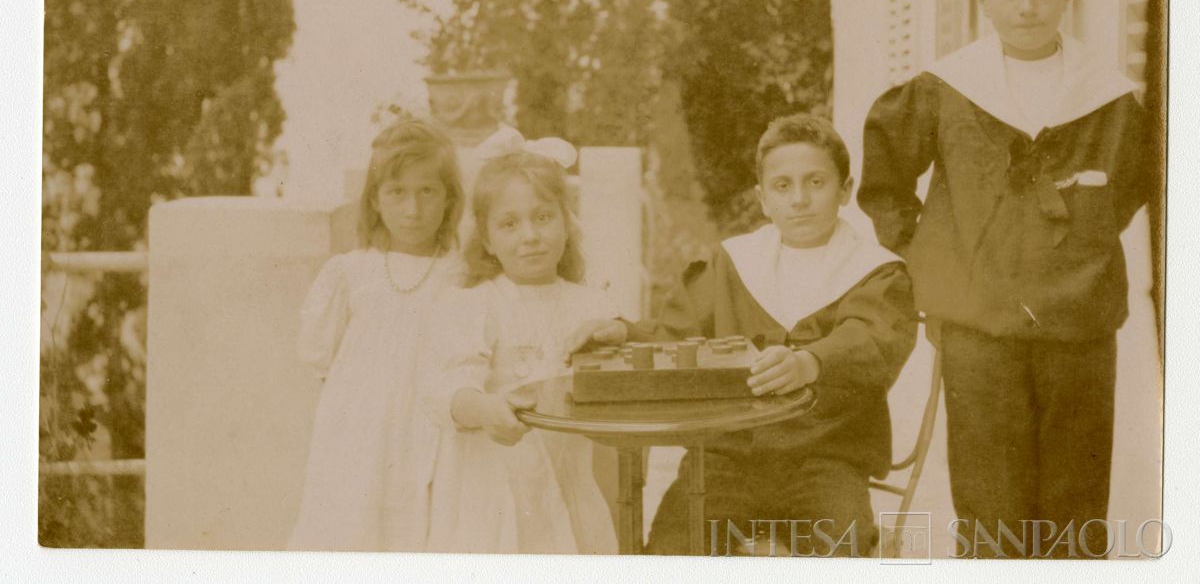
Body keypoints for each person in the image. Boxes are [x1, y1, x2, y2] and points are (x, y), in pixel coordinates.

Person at [858, 0, 1150, 558]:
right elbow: (883, 179)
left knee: (1075, 503)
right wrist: (930, 253)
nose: (1028, 6)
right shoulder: (946, 90)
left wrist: (1076, 246)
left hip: (1078, 326)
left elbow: (1128, 191)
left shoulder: (1108, 98)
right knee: (991, 505)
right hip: (980, 329)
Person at [570, 114, 916, 557]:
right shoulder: (735, 262)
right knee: (675, 545)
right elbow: (679, 333)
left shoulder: (874, 270)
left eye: (816, 182)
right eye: (783, 186)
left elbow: (872, 338)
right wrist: (623, 330)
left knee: (841, 548)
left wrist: (810, 362)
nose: (800, 200)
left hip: (825, 458)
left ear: (845, 191)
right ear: (763, 198)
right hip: (727, 457)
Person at [423, 127, 619, 555]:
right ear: (488, 240)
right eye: (510, 224)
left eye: (543, 217)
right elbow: (446, 390)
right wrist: (484, 408)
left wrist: (614, 337)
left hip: (568, 489)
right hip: (496, 496)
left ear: (567, 224)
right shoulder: (474, 305)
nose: (529, 235)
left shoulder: (590, 306)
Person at [288, 117, 466, 552]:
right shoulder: (351, 273)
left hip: (433, 428)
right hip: (359, 433)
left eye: (428, 191)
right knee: (354, 530)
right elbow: (322, 359)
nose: (413, 209)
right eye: (397, 192)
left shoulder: (461, 277)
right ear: (375, 200)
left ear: (449, 199)